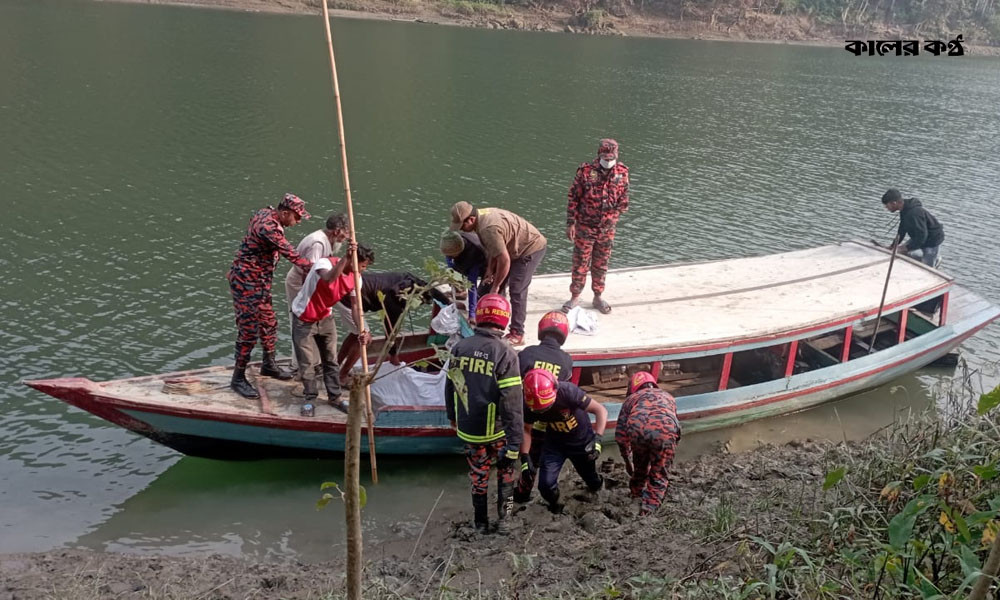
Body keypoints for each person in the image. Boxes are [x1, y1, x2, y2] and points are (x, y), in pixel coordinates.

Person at [445, 294, 524, 534]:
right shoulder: (505, 354)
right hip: (497, 430)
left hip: (469, 430)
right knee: (506, 472)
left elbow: (450, 387)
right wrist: (515, 442)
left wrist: (452, 417)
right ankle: (505, 520)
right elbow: (512, 403)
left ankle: (480, 524)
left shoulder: (459, 347)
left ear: (479, 317)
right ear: (504, 321)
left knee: (478, 476)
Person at [227, 193, 313, 399]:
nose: (298, 221)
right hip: (247, 282)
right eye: (296, 217)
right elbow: (290, 253)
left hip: (260, 283)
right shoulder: (268, 228)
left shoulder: (266, 213)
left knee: (269, 323)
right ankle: (237, 378)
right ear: (284, 213)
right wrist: (317, 269)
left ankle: (269, 364)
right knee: (249, 331)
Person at [290, 243, 374, 417]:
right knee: (307, 362)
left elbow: (356, 306)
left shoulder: (356, 278)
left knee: (331, 360)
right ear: (352, 260)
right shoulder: (325, 264)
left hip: (325, 318)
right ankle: (310, 398)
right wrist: (346, 258)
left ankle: (334, 396)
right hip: (304, 317)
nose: (363, 271)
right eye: (362, 265)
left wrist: (362, 330)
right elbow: (328, 279)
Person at [449, 202, 547, 346]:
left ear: (470, 219)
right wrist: (490, 270)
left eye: (462, 226)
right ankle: (490, 321)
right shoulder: (481, 218)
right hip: (510, 249)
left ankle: (517, 333)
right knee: (487, 285)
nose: (462, 230)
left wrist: (496, 286)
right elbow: (493, 249)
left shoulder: (488, 228)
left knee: (517, 289)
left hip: (529, 248)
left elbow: (504, 260)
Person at [336, 270, 451, 384]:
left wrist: (449, 303)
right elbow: (390, 330)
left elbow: (429, 288)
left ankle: (335, 365)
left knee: (354, 334)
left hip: (347, 290)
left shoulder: (410, 281)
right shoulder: (396, 299)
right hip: (350, 300)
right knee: (364, 339)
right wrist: (393, 356)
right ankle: (342, 376)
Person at [520, 368, 607, 514]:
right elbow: (526, 429)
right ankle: (556, 506)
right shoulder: (528, 403)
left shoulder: (568, 391)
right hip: (554, 444)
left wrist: (597, 439)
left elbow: (600, 410)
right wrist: (524, 457)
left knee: (592, 480)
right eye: (539, 410)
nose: (543, 412)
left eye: (546, 407)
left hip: (581, 442)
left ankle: (599, 488)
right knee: (545, 485)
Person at [565, 138, 630, 314]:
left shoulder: (622, 172)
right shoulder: (586, 172)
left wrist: (616, 212)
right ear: (599, 154)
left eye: (611, 158)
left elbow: (624, 198)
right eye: (605, 157)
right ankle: (575, 297)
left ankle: (598, 296)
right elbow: (573, 198)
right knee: (580, 263)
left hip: (607, 229)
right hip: (585, 227)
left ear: (616, 155)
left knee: (601, 264)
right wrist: (571, 222)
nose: (608, 161)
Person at [514, 311, 573, 503]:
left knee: (524, 461)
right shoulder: (566, 360)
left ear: (541, 330)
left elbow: (514, 386)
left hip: (525, 415)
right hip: (550, 421)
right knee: (538, 460)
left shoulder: (527, 353)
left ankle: (521, 495)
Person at [284, 213, 350, 371]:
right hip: (300, 283)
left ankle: (315, 361)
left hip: (313, 284)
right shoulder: (318, 243)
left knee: (316, 322)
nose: (346, 237)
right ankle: (300, 365)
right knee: (301, 323)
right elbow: (311, 272)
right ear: (336, 231)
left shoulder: (328, 241)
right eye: (345, 232)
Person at [616, 371, 681, 516]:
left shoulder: (630, 400)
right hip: (664, 431)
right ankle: (648, 510)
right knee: (658, 472)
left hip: (637, 430)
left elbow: (621, 437)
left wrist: (627, 461)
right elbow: (674, 422)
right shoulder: (668, 396)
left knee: (640, 467)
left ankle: (636, 494)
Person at [881, 188, 944, 267]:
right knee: (902, 252)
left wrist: (906, 247)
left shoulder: (914, 213)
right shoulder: (904, 210)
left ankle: (935, 260)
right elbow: (902, 230)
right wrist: (893, 246)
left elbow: (922, 236)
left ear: (894, 203)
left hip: (932, 239)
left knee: (926, 268)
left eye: (887, 205)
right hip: (918, 235)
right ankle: (926, 258)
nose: (886, 208)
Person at [439, 229, 488, 320]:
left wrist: (472, 315)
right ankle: (460, 291)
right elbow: (450, 265)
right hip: (462, 257)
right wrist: (452, 275)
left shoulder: (475, 252)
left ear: (459, 252)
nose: (450, 257)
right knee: (452, 270)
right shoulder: (452, 241)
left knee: (481, 299)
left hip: (486, 266)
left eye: (452, 255)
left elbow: (472, 285)